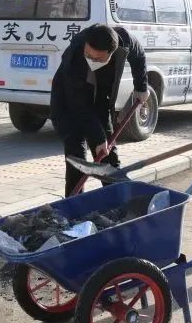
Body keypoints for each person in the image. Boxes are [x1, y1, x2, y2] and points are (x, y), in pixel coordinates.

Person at [50, 24, 148, 197]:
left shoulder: (123, 39)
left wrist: (141, 87)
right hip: (69, 102)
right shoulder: (75, 56)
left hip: (101, 99)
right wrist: (97, 138)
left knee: (109, 155)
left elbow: (139, 55)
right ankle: (74, 205)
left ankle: (117, 200)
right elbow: (79, 106)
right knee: (77, 157)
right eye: (88, 55)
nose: (91, 60)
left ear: (112, 52)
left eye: (98, 59)